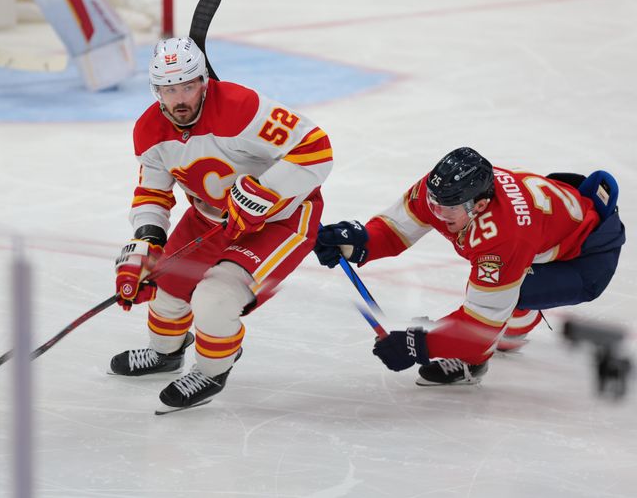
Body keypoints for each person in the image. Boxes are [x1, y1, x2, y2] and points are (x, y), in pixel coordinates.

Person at [109, 37, 333, 411]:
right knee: (166, 290)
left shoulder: (242, 107)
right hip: (208, 219)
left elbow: (316, 149)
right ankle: (166, 353)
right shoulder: (149, 130)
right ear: (155, 90)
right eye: (168, 89)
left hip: (280, 220)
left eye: (187, 86)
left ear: (203, 81)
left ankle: (212, 371)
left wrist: (266, 191)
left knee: (215, 299)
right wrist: (147, 240)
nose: (179, 99)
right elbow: (153, 192)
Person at [315, 147, 625, 385]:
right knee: (503, 312)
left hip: (585, 260)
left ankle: (473, 364)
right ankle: (517, 317)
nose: (436, 213)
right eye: (433, 203)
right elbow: (396, 229)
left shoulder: (503, 238)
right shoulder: (442, 190)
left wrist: (418, 342)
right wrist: (357, 242)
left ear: (479, 206)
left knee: (506, 296)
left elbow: (480, 325)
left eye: (446, 208)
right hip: (550, 228)